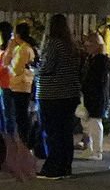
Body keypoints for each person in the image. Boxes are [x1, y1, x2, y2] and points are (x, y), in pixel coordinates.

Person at [34, 15, 82, 178]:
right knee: (65, 132)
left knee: (52, 131)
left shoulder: (53, 44)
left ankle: (53, 167)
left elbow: (46, 67)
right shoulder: (71, 46)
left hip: (51, 94)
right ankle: (65, 166)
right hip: (69, 94)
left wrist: (35, 68)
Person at [79, 30, 110, 160]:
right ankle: (90, 148)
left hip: (96, 96)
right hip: (89, 94)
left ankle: (97, 151)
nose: (87, 47)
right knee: (87, 123)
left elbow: (98, 80)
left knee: (94, 123)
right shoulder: (91, 59)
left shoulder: (101, 60)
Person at [3, 23, 37, 149]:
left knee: (21, 116)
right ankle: (23, 141)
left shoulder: (24, 49)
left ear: (18, 34)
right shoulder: (19, 48)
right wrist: (10, 49)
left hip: (21, 86)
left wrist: (9, 67)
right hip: (16, 86)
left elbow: (15, 69)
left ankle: (25, 142)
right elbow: (6, 62)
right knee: (19, 115)